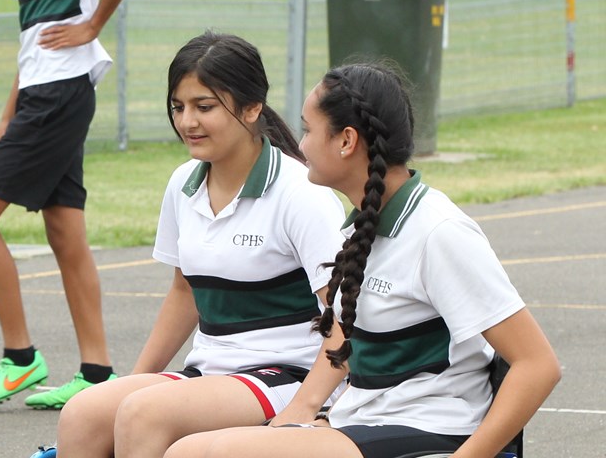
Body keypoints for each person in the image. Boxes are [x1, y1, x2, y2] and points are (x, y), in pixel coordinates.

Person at [163, 63, 562, 458]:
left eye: (308, 130)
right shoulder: (360, 228)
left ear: (347, 141)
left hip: (430, 428)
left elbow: (537, 365)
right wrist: (301, 409)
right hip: (361, 418)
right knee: (187, 451)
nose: (300, 145)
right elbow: (344, 335)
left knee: (227, 451)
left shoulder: (439, 232)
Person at [48, 32, 348, 458]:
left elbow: (348, 317)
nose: (187, 121)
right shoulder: (182, 183)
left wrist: (305, 406)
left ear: (251, 108)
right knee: (83, 412)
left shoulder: (300, 192)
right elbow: (183, 292)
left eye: (204, 107)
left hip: (289, 376)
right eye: (178, 107)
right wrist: (134, 383)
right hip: (211, 372)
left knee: (143, 414)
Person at [0, 0, 133, 409]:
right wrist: (8, 114)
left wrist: (93, 25)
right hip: (47, 91)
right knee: (65, 233)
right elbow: (34, 46)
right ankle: (96, 373)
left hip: (58, 94)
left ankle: (20, 358)